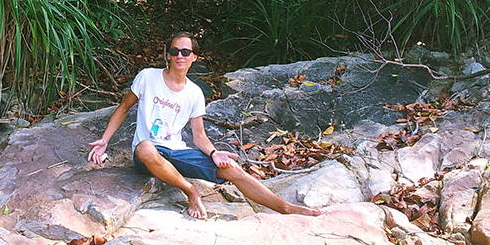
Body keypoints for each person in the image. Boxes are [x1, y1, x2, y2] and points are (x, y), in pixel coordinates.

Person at [87, 32, 321, 219]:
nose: (179, 56)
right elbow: (124, 107)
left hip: (176, 151)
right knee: (146, 147)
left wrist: (213, 152)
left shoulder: (194, 93)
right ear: (167, 55)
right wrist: (104, 141)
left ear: (194, 57)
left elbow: (198, 136)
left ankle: (286, 208)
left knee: (230, 169)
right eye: (174, 51)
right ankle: (190, 190)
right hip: (148, 153)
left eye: (185, 52)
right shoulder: (148, 77)